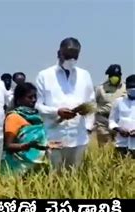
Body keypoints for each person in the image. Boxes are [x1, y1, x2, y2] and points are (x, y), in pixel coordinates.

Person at [35, 37, 95, 171]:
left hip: (79, 138)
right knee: (55, 177)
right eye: (68, 56)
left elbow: (91, 103)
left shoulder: (85, 75)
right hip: (55, 136)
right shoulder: (44, 75)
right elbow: (38, 106)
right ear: (59, 53)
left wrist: (88, 127)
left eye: (75, 56)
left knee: (76, 177)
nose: (71, 60)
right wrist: (57, 112)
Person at [1, 82, 61, 175]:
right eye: (29, 97)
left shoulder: (36, 117)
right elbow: (8, 146)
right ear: (19, 100)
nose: (33, 100)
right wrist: (28, 146)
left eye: (35, 97)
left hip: (36, 168)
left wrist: (46, 145)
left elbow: (38, 140)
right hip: (18, 169)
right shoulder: (13, 117)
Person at [95, 64, 126, 146]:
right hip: (103, 120)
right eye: (112, 76)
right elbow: (93, 102)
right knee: (104, 147)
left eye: (116, 75)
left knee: (119, 147)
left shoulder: (125, 88)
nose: (114, 78)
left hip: (119, 121)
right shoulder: (101, 88)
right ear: (109, 76)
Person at [108, 74, 135, 158]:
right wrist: (119, 129)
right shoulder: (118, 102)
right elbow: (111, 121)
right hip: (121, 144)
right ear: (126, 88)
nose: (132, 91)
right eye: (130, 89)